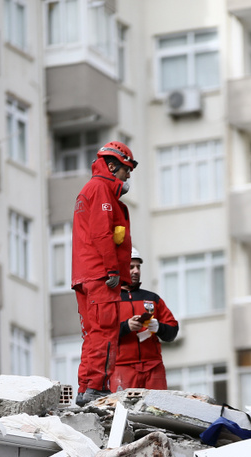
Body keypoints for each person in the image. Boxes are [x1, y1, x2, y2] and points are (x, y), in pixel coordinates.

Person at [72, 141, 137, 406]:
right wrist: (112, 268)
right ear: (112, 166)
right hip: (100, 275)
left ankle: (85, 389)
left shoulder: (91, 190)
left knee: (93, 334)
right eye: (125, 169)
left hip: (86, 275)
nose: (128, 175)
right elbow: (102, 233)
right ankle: (97, 388)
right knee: (106, 333)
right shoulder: (101, 190)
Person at [111, 248, 179, 391]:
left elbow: (172, 331)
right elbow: (100, 335)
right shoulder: (109, 301)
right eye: (131, 267)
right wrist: (126, 326)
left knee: (158, 412)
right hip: (122, 368)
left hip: (153, 368)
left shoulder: (152, 298)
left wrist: (158, 327)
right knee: (125, 412)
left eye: (138, 267)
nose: (136, 271)